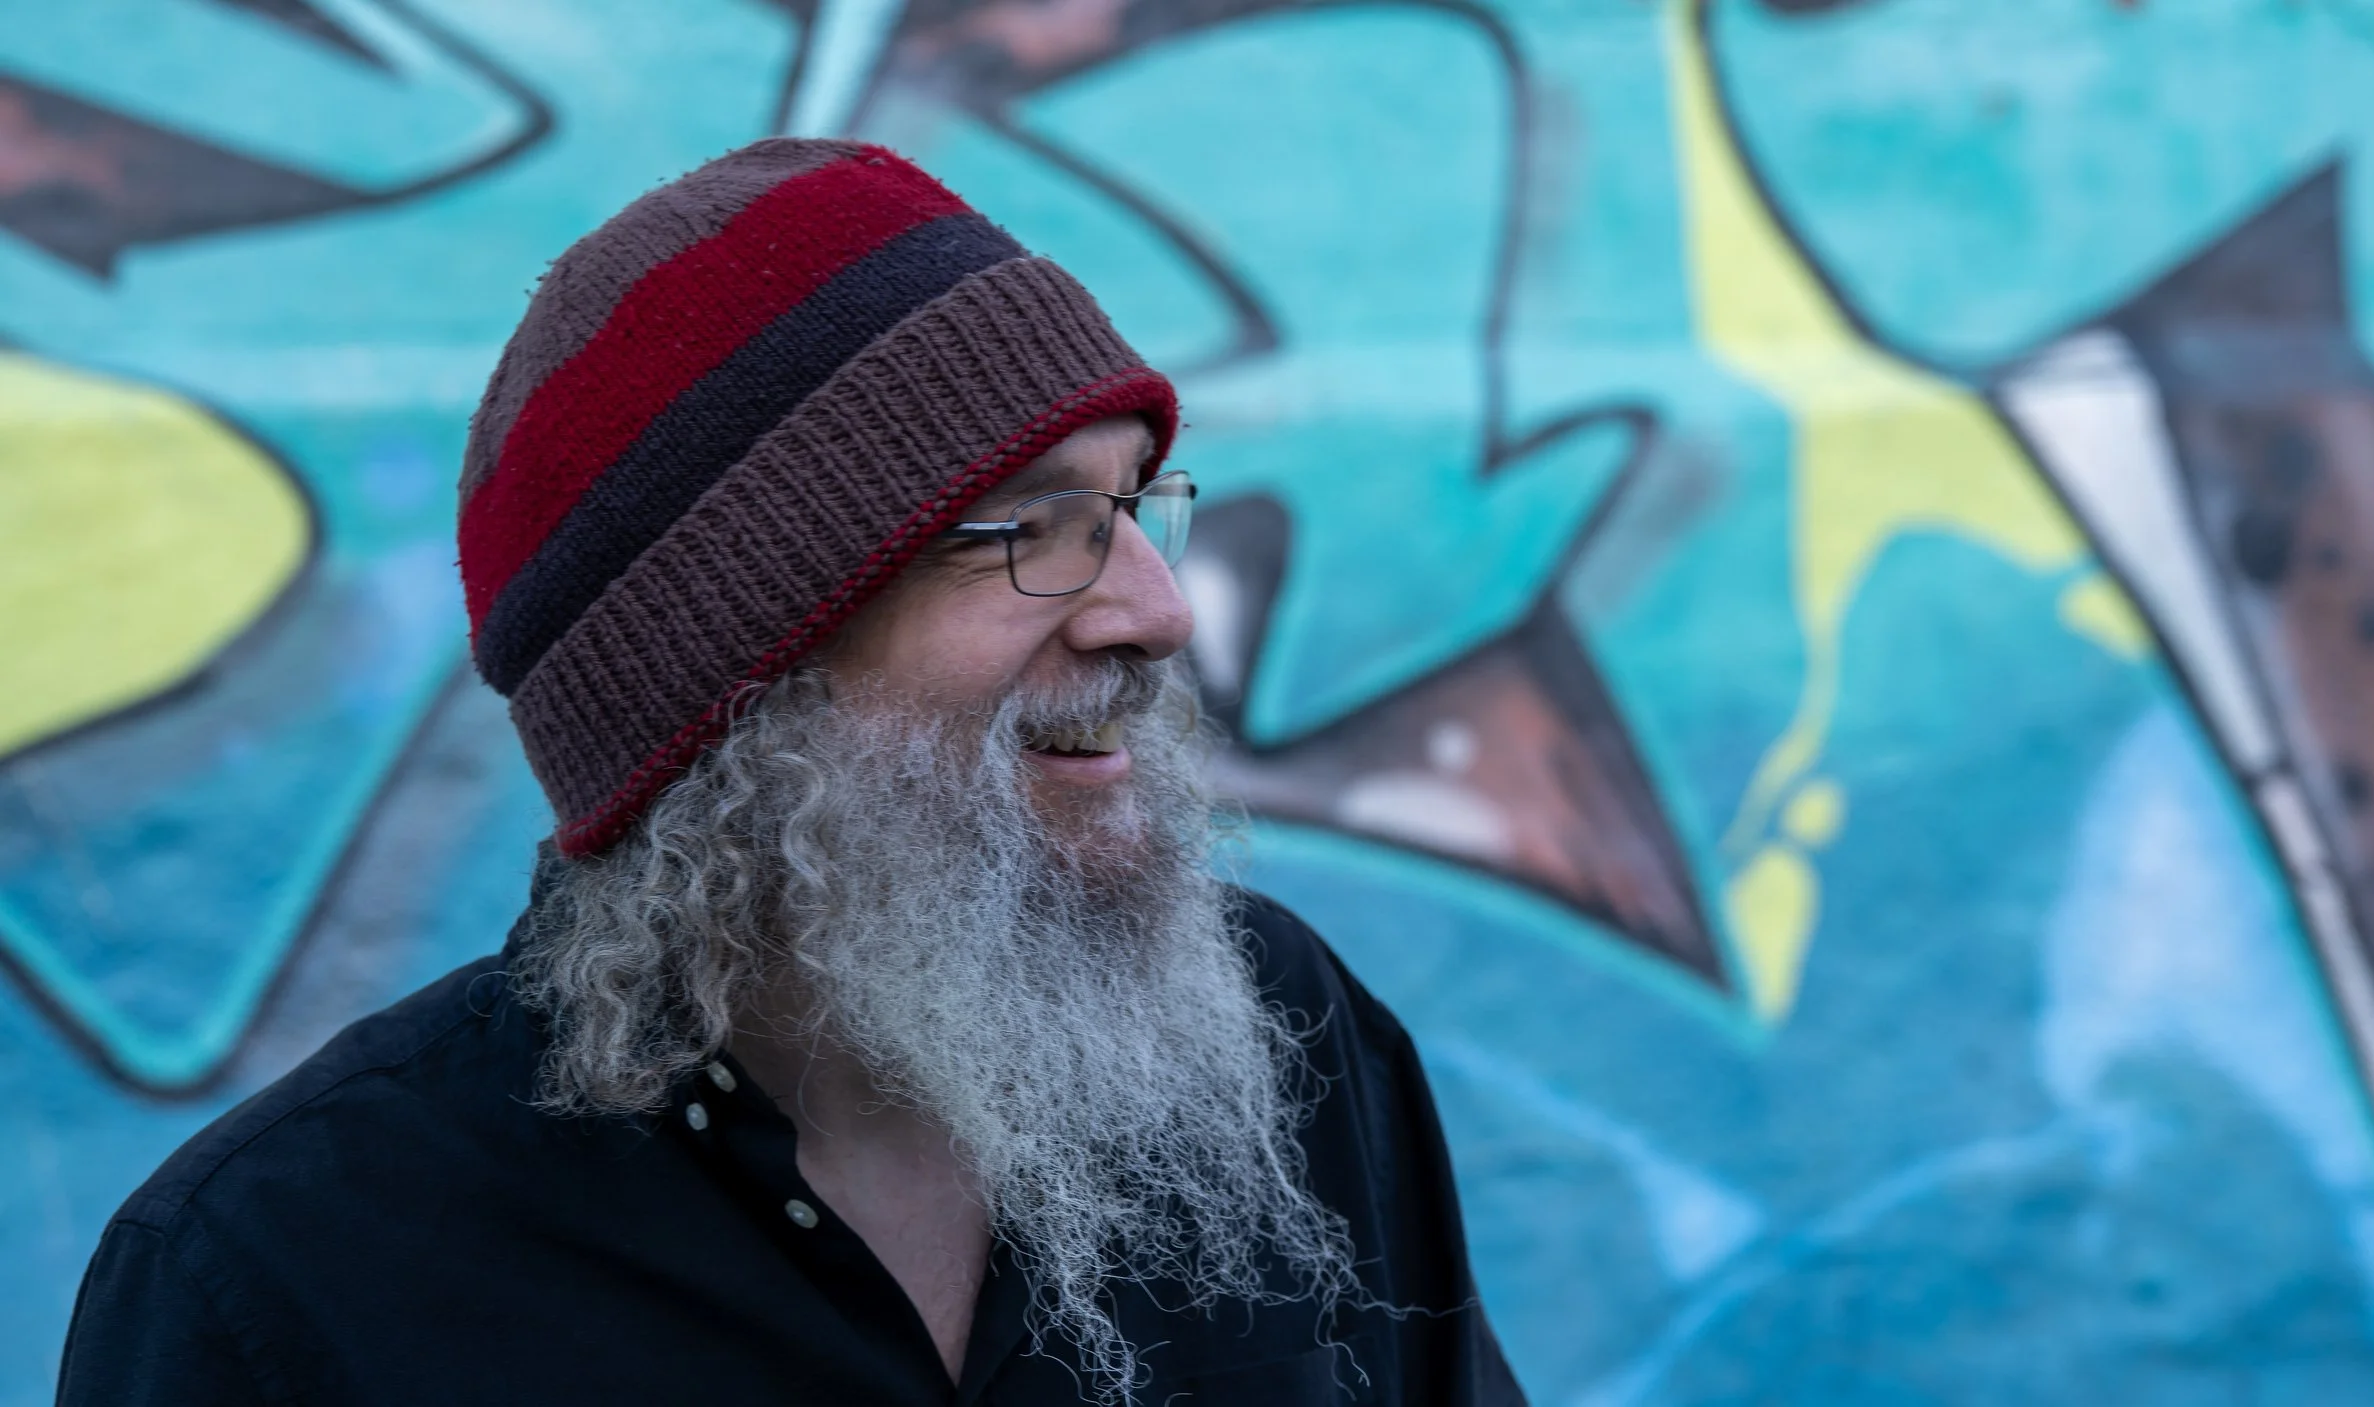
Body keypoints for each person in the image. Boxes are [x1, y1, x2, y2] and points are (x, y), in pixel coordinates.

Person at [56, 139, 1524, 1405]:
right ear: (738, 681)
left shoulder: (1281, 1046)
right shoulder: (290, 1275)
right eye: (1035, 525)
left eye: (1138, 505)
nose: (1156, 607)